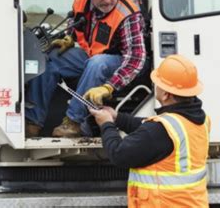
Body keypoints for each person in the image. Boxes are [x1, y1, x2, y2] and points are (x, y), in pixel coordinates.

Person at [25, 0, 147, 138]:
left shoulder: (128, 13)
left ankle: (73, 122)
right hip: (92, 57)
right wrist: (70, 37)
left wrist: (109, 86)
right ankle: (32, 121)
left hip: (121, 63)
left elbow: (136, 58)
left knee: (97, 63)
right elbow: (78, 21)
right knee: (50, 56)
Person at [89, 54, 210, 207]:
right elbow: (149, 129)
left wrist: (106, 124)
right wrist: (117, 117)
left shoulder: (160, 129)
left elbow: (119, 154)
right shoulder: (199, 120)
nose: (155, 85)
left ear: (166, 94)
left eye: (157, 83)